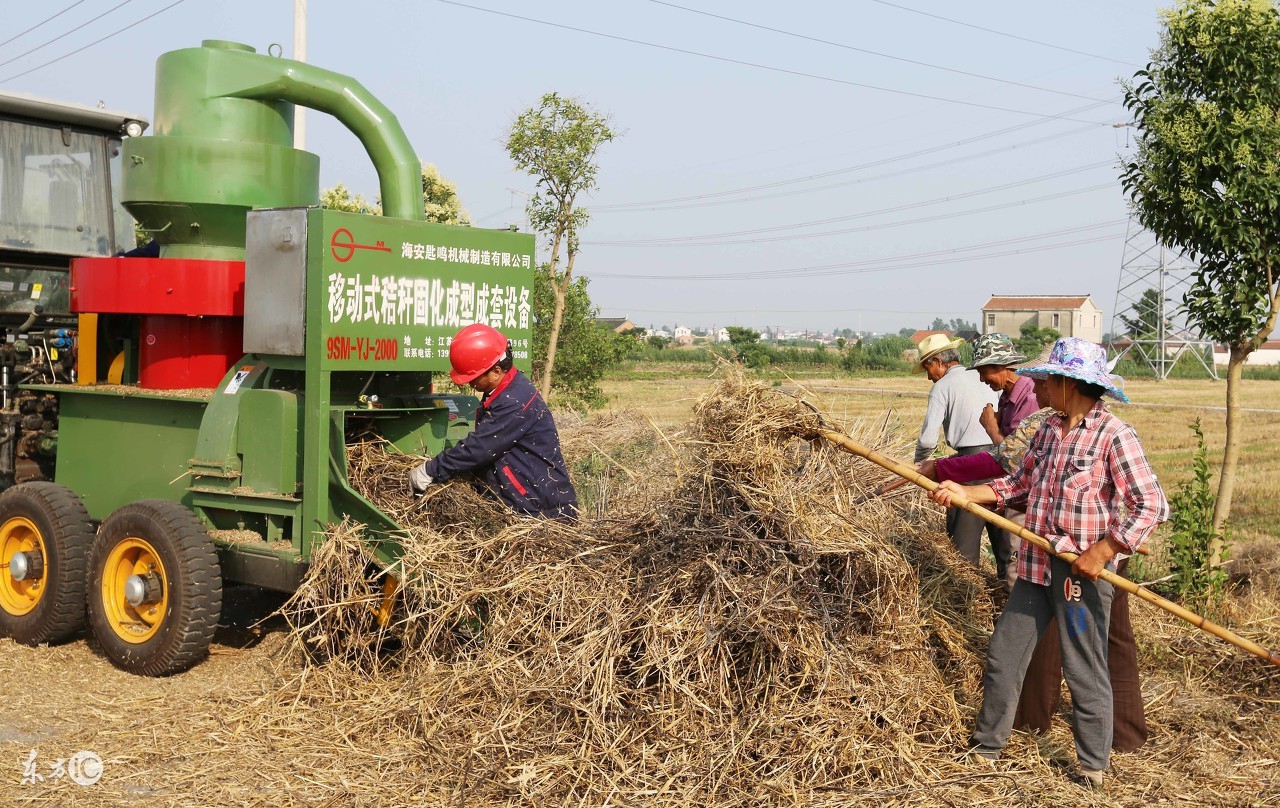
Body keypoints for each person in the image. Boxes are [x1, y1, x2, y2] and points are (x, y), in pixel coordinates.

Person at [929, 337, 1169, 790]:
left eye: (1048, 379)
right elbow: (1015, 485)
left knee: (1084, 669)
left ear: (1070, 383)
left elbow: (1150, 505)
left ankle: (1093, 767)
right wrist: (964, 493)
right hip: (1037, 565)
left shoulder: (1113, 434)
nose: (1040, 385)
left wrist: (1102, 552)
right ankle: (986, 747)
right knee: (1004, 654)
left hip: (1078, 572)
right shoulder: (1046, 431)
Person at [408, 323, 578, 523]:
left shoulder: (514, 401)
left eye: (474, 377)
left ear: (496, 371)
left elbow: (479, 448)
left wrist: (430, 470)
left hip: (541, 512)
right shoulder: (504, 391)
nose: (470, 383)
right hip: (525, 504)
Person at [911, 333, 1006, 578]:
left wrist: (921, 466)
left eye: (928, 367)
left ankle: (967, 606)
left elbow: (928, 439)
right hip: (1001, 463)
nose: (928, 375)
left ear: (939, 362)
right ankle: (1008, 602)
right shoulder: (985, 378)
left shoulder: (942, 387)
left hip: (968, 469)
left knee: (963, 553)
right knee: (1007, 548)